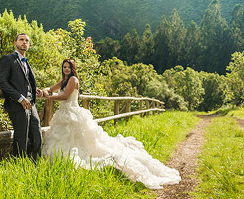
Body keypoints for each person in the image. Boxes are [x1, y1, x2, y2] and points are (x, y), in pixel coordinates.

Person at [42, 59, 181, 189]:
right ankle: (60, 161)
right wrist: (44, 91)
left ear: (73, 69)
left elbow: (65, 96)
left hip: (73, 114)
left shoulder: (73, 79)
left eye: (68, 67)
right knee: (64, 139)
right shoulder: (64, 80)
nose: (66, 69)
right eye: (64, 67)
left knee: (81, 141)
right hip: (62, 114)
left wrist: (49, 97)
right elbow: (52, 88)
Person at [0, 33, 43, 160]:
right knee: (21, 136)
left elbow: (24, 82)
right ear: (15, 43)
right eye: (21, 40)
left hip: (30, 103)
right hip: (17, 103)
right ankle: (19, 165)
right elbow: (2, 82)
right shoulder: (8, 59)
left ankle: (35, 163)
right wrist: (20, 98)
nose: (24, 42)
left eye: (27, 40)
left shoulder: (26, 62)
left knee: (37, 133)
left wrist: (34, 90)